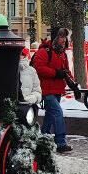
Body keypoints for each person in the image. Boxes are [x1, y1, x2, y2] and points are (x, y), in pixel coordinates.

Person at [31, 27, 74, 155]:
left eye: (65, 37)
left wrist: (73, 84)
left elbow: (66, 71)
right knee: (57, 112)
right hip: (45, 90)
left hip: (56, 89)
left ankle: (42, 138)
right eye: (61, 37)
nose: (63, 40)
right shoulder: (44, 51)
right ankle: (60, 142)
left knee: (50, 115)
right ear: (55, 38)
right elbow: (39, 68)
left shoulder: (62, 53)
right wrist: (56, 73)